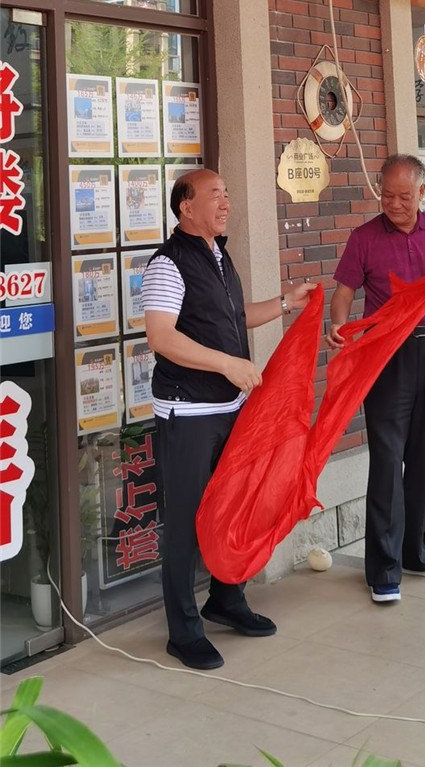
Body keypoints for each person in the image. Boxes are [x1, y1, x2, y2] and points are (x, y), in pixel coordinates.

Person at [142, 168, 315, 669]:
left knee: (233, 507)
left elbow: (233, 319)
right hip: (189, 411)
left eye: (227, 193)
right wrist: (227, 364)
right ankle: (183, 631)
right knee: (185, 523)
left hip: (230, 409)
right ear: (185, 206)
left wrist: (285, 303)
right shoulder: (167, 263)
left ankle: (226, 599)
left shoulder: (220, 255)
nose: (225, 202)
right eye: (214, 194)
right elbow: (161, 336)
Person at [325, 154, 425, 603]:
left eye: (403, 196)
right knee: (387, 457)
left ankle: (416, 552)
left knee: (423, 455)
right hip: (385, 353)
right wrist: (337, 325)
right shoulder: (365, 238)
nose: (394, 204)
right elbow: (343, 293)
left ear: (421, 192)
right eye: (387, 195)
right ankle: (383, 568)